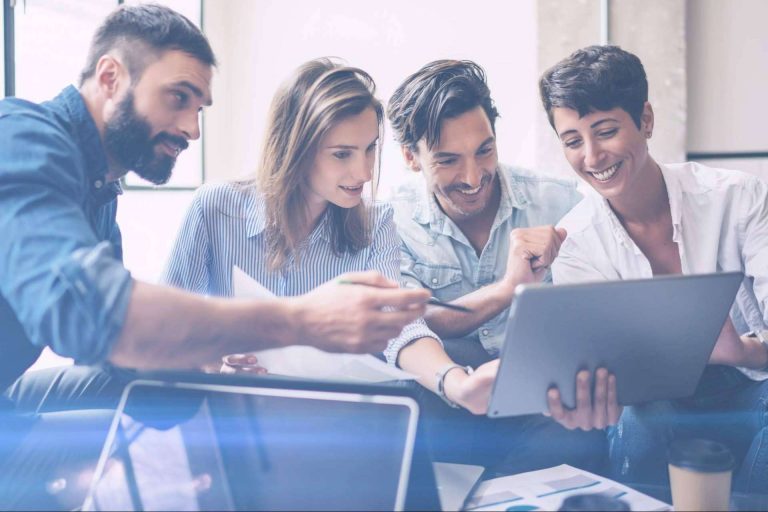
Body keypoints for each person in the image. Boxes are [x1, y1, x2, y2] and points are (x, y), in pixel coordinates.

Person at [0, 5, 428, 509]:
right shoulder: (20, 138)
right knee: (152, 452)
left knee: (184, 413)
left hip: (11, 400)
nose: (192, 129)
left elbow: (118, 356)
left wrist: (208, 363)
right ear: (110, 77)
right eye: (178, 98)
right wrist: (301, 321)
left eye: (199, 108)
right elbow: (90, 313)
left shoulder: (99, 191)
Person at [540, 44, 768, 492]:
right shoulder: (575, 242)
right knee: (642, 419)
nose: (592, 156)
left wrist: (742, 351)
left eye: (606, 131)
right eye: (573, 141)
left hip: (750, 385)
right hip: (651, 404)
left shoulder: (738, 197)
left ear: (645, 120)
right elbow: (604, 373)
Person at [385, 59, 606, 474]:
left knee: (579, 433)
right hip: (444, 402)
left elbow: (599, 314)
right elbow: (407, 322)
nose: (473, 177)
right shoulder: (391, 221)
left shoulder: (559, 203)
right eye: (448, 160)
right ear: (411, 157)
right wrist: (509, 288)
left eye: (484, 151)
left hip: (543, 406)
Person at [162, 58, 440, 368]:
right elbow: (166, 329)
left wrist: (452, 379)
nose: (364, 173)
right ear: (295, 148)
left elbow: (399, 329)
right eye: (342, 154)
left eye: (370, 148)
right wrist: (214, 365)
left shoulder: (377, 223)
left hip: (330, 397)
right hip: (234, 396)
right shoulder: (215, 208)